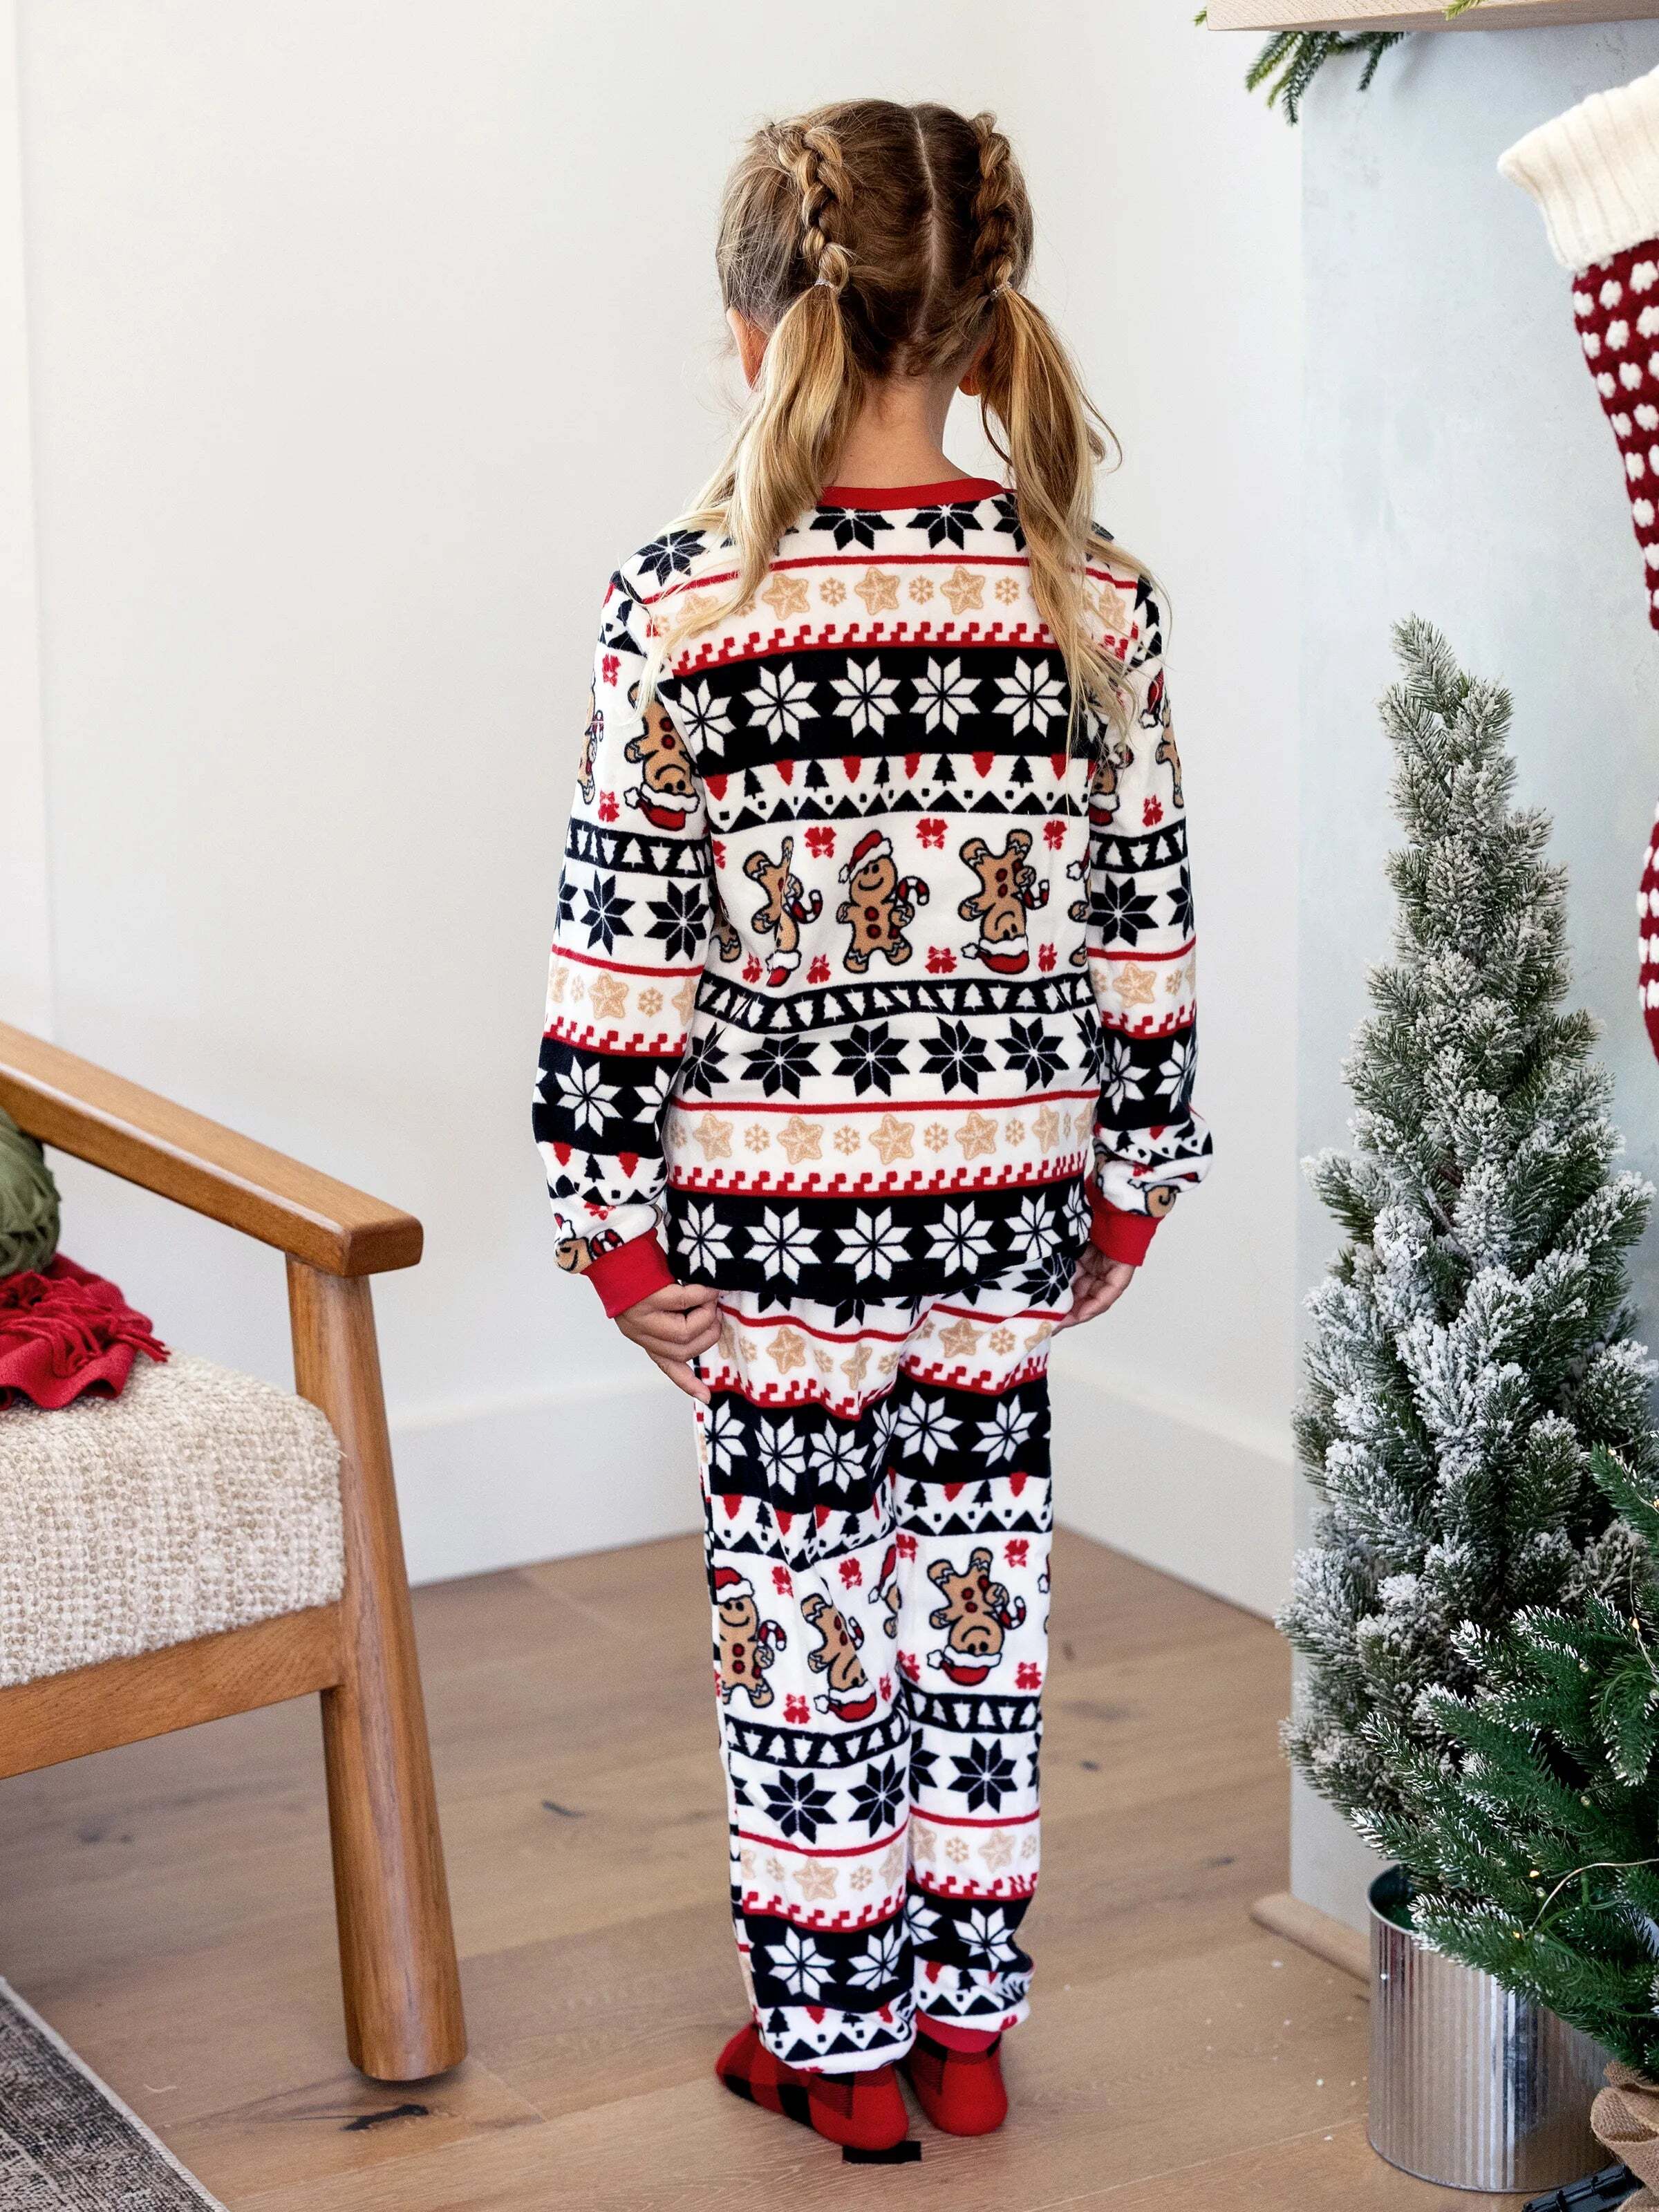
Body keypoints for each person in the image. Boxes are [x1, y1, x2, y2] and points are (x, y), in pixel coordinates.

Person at [533, 98, 1210, 2156]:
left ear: (756, 336)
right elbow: (1147, 926)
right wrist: (1131, 1191)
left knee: (806, 1628)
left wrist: (611, 1233)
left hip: (775, 1234)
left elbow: (621, 953)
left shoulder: (684, 608)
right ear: (988, 329)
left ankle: (835, 2051)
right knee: (980, 1615)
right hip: (1011, 1206)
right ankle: (968, 2035)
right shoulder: (1092, 596)